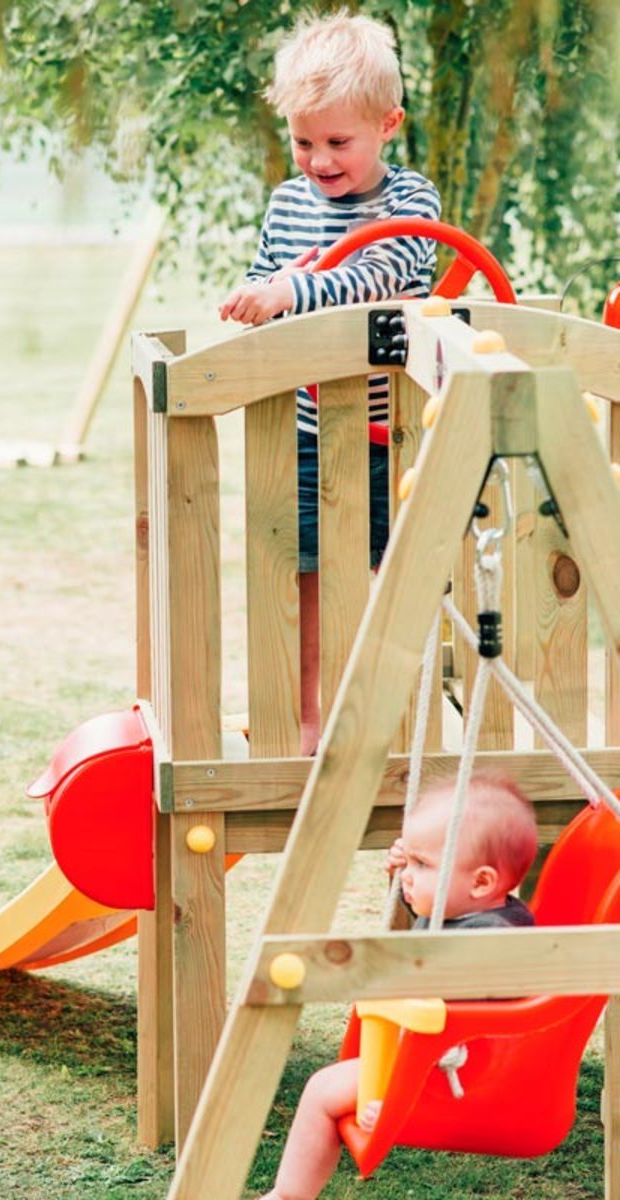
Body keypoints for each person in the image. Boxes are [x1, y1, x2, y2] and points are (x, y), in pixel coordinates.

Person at [218, 11, 441, 754]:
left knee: (388, 571)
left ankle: (387, 713)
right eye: (303, 141)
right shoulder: (287, 205)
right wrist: (253, 296)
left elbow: (377, 274)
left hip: (397, 435)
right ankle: (310, 718)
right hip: (312, 431)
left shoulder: (411, 202)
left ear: (388, 124)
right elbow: (266, 274)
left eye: (338, 142)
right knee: (309, 571)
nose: (318, 160)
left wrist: (289, 292)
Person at [257, 771, 537, 1200]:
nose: (409, 874)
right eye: (410, 861)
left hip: (454, 1073)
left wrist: (401, 1096)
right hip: (431, 1058)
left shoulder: (491, 941)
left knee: (320, 1091)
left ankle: (287, 1196)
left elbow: (445, 1006)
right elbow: (417, 944)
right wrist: (402, 881)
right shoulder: (474, 913)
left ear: (481, 882)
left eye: (422, 865)